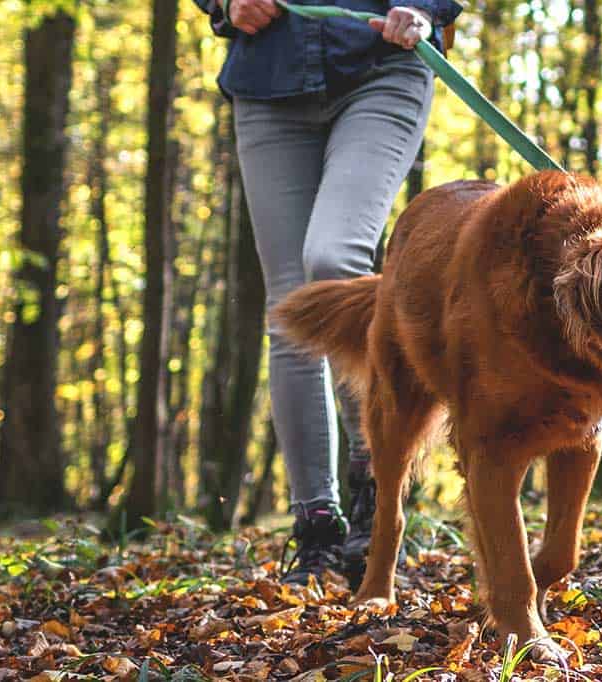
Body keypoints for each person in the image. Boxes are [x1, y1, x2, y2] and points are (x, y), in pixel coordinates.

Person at [196, 0, 462, 585]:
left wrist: (427, 9)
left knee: (331, 262)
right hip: (268, 79)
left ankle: (377, 485)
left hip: (382, 66)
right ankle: (316, 525)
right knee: (289, 308)